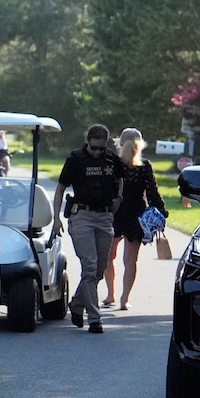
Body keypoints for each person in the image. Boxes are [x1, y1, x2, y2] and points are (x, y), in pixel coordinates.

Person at [51, 124, 125, 334]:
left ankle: (76, 303)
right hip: (81, 215)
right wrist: (56, 219)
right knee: (90, 267)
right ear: (87, 143)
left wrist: (119, 198)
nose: (98, 152)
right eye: (94, 148)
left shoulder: (112, 160)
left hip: (104, 216)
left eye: (101, 148)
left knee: (99, 270)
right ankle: (94, 318)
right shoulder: (75, 159)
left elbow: (120, 180)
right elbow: (60, 189)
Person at [104, 128, 167, 311]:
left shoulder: (113, 163)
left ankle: (110, 295)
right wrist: (161, 211)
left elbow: (108, 189)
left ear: (119, 143)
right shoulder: (145, 165)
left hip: (115, 213)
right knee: (131, 260)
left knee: (109, 256)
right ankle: (124, 299)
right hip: (136, 216)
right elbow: (152, 191)